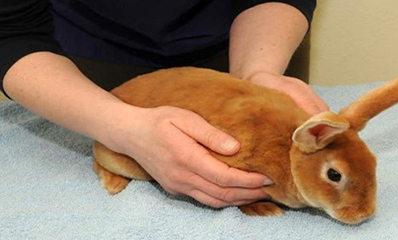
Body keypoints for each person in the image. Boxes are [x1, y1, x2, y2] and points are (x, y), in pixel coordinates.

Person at [0, 0, 329, 208]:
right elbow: (10, 31)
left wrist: (257, 74)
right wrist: (120, 126)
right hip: (77, 60)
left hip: (254, 37)